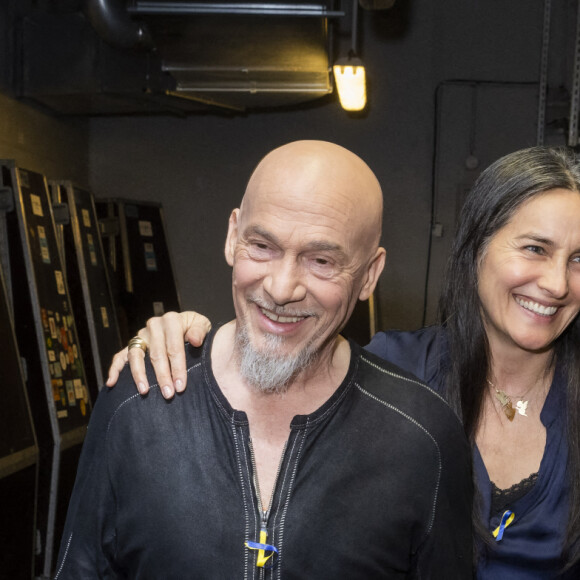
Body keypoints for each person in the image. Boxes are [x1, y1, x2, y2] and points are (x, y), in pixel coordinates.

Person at [108, 145, 580, 578]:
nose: (557, 283)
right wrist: (184, 340)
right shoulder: (393, 379)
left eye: (579, 259)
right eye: (535, 249)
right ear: (477, 248)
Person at [55, 140, 473, 578]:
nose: (281, 287)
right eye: (263, 246)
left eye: (321, 260)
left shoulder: (423, 437)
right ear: (233, 236)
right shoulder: (137, 402)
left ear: (369, 274)